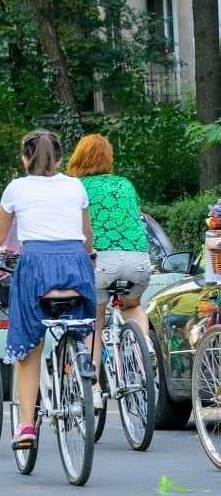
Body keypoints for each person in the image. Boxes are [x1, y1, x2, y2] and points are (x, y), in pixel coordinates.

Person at [0, 129, 96, 449]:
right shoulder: (75, 186)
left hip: (36, 267)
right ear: (61, 158)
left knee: (28, 345)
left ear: (25, 159)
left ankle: (26, 426)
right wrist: (88, 257)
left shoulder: (16, 189)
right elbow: (87, 235)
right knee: (78, 325)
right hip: (76, 266)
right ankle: (78, 370)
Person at [66, 133, 153, 383]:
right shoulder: (125, 184)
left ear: (79, 157)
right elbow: (135, 217)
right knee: (133, 305)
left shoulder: (77, 187)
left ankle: (92, 383)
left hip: (100, 262)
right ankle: (143, 347)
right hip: (138, 260)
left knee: (95, 319)